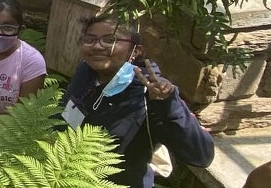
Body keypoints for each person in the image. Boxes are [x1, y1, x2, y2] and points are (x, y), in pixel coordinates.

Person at [61, 14, 215, 188]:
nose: (97, 46)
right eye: (90, 39)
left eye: (110, 40)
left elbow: (201, 156)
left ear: (136, 51)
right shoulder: (86, 72)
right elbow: (63, 117)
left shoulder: (149, 94)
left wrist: (169, 105)